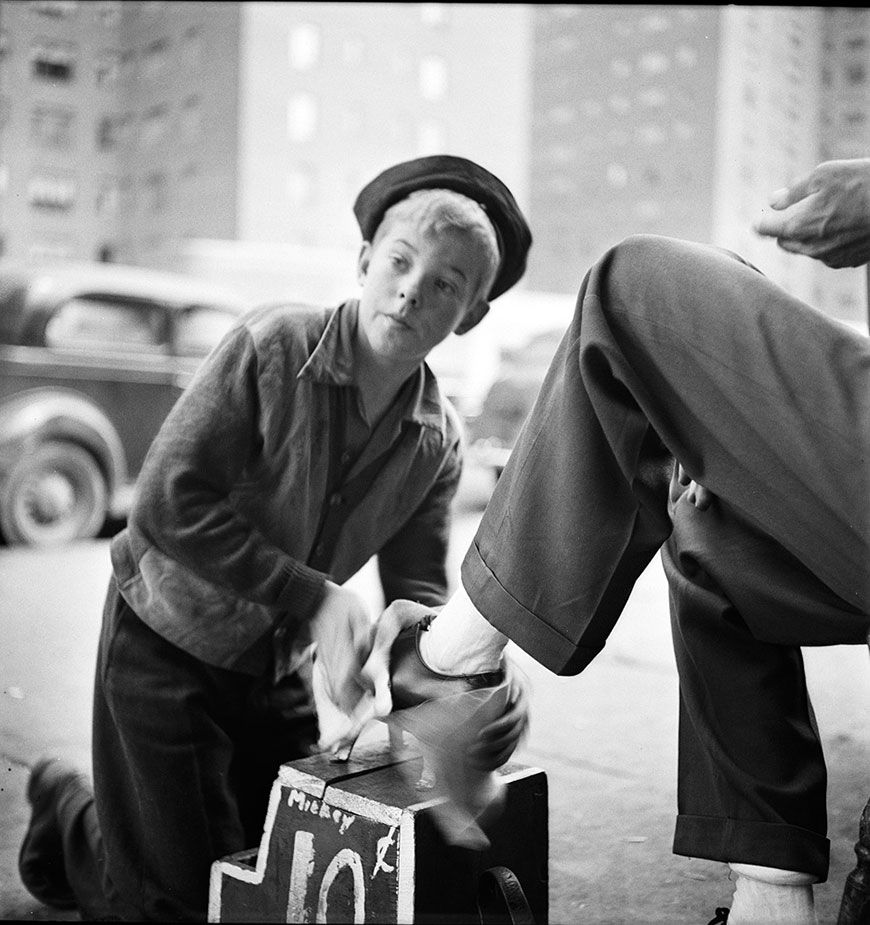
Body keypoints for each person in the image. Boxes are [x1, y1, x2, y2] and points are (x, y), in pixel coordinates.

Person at [326, 158, 870, 925]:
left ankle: (444, 661)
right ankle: (771, 903)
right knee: (706, 520)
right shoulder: (288, 350)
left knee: (634, 284)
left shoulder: (436, 429)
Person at [17, 154, 532, 922]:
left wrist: (461, 676)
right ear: (364, 262)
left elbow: (416, 587)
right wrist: (316, 597)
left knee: (284, 880)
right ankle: (70, 806)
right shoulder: (273, 345)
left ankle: (113, 835)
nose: (415, 287)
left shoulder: (439, 440)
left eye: (448, 282)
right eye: (400, 260)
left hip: (273, 667)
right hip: (164, 641)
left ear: (471, 315)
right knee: (178, 904)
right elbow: (165, 502)